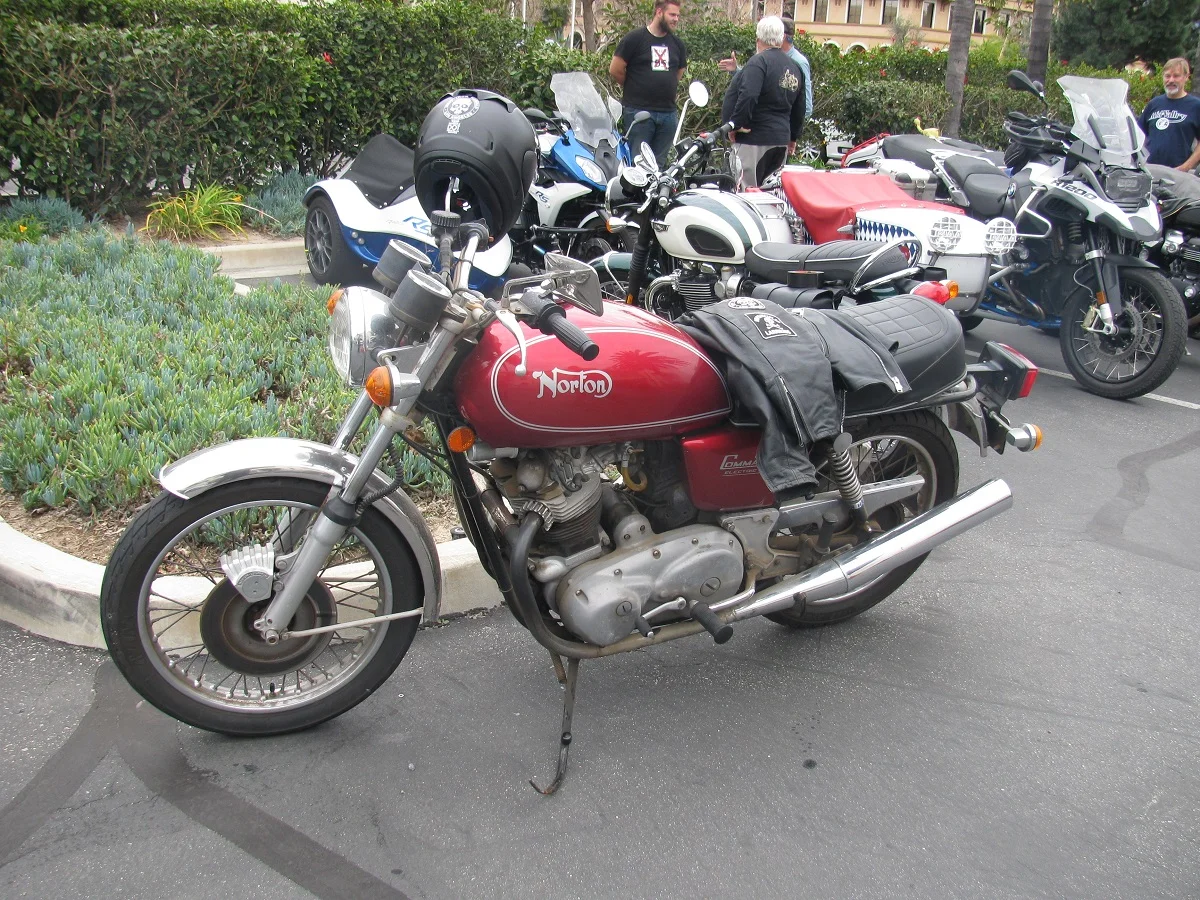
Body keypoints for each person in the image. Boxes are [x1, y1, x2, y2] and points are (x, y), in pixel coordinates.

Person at [723, 16, 806, 188]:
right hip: (780, 140)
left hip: (754, 138)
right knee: (772, 191)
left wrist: (736, 123)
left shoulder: (758, 62)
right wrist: (793, 137)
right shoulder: (795, 67)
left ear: (758, 39)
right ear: (781, 38)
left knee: (746, 190)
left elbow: (749, 95)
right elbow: (799, 108)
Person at [609, 0, 688, 164]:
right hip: (639, 113)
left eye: (678, 16)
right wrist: (635, 86)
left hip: (668, 115)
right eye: (672, 14)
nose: (676, 19)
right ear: (659, 12)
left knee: (659, 167)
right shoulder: (634, 39)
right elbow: (615, 69)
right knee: (637, 165)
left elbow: (678, 73)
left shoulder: (677, 45)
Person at [719, 16, 812, 123]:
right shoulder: (764, 59)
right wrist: (737, 70)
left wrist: (737, 123)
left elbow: (806, 107)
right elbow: (760, 83)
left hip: (774, 128)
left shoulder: (798, 63)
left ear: (783, 36)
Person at [1138, 57, 1200, 172]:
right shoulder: (1154, 104)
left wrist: (1185, 167)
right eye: (1167, 76)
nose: (1171, 80)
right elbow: (1138, 135)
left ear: (1186, 77)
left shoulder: (1196, 106)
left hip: (1178, 174)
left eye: (1176, 76)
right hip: (1150, 171)